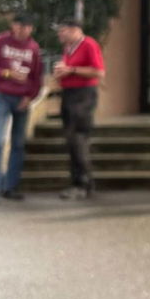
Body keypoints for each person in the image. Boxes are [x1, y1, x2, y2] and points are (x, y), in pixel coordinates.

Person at [0, 11, 42, 204]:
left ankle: (11, 186)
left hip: (22, 99)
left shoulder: (33, 48)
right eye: (20, 26)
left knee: (18, 143)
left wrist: (30, 97)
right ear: (13, 26)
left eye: (27, 27)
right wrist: (8, 73)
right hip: (3, 96)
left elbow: (36, 77)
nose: (23, 30)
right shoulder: (1, 42)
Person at [51, 16, 104, 200]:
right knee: (70, 139)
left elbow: (99, 71)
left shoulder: (89, 44)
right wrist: (61, 73)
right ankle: (78, 182)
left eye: (63, 31)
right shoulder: (68, 48)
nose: (59, 35)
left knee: (77, 138)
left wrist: (71, 70)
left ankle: (83, 183)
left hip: (83, 95)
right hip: (69, 93)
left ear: (74, 30)